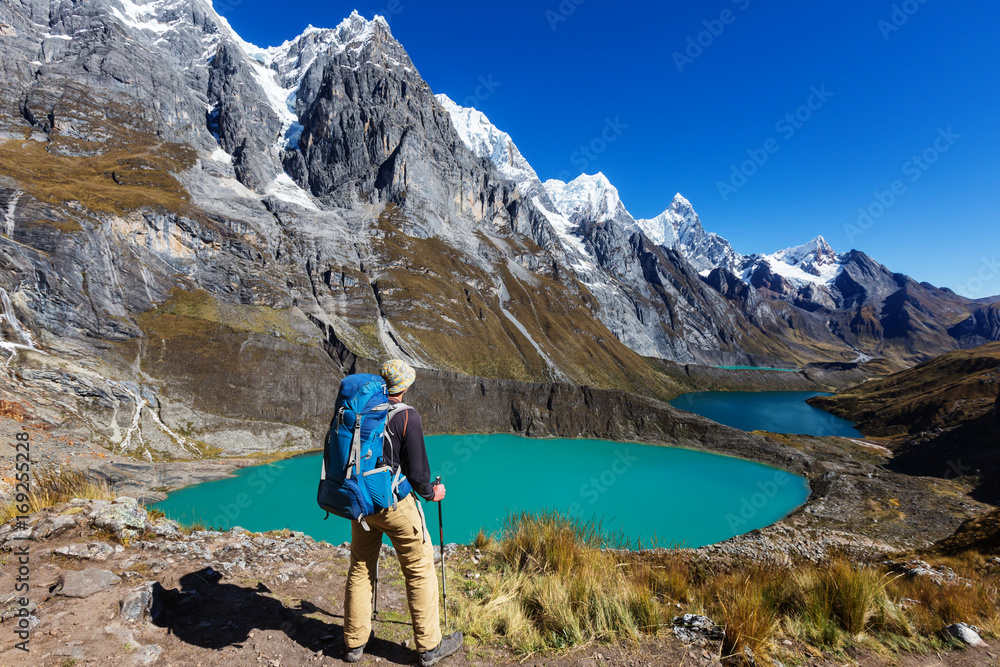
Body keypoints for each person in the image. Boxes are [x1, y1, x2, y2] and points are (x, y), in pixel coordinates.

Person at [343, 359, 463, 666]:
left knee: (360, 566)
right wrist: (432, 493)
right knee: (420, 569)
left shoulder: (360, 411)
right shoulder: (407, 416)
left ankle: (355, 644)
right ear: (405, 386)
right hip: (394, 505)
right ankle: (429, 647)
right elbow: (419, 472)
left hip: (361, 503)